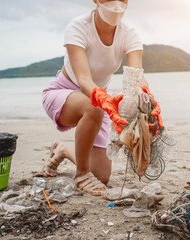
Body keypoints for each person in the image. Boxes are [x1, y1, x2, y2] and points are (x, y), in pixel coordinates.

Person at [42, 0, 162, 196]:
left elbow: (136, 76)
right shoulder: (78, 27)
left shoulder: (129, 34)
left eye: (121, 0)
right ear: (96, 1)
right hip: (63, 93)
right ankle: (81, 174)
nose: (116, 5)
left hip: (98, 103)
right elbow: (83, 79)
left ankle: (63, 150)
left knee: (101, 175)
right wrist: (102, 98)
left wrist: (146, 97)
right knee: (94, 107)